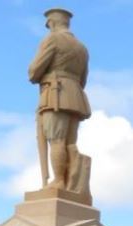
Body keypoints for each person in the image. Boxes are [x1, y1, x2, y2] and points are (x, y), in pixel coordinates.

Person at [28, 7, 91, 192]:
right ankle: (72, 185)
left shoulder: (52, 39)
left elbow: (34, 72)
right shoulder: (82, 48)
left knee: (56, 140)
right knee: (70, 143)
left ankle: (59, 181)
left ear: (52, 23)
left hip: (55, 94)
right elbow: (83, 78)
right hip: (75, 96)